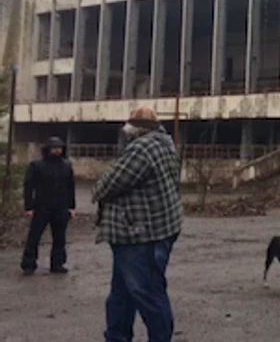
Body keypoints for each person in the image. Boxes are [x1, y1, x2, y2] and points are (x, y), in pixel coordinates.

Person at [92, 106, 183, 342]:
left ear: (133, 128)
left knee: (147, 293)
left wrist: (99, 186)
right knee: (122, 294)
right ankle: (117, 337)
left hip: (140, 234)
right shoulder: (165, 143)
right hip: (147, 231)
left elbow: (106, 186)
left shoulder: (142, 147)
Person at [20, 136, 76, 275]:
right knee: (34, 237)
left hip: (61, 207)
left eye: (59, 148)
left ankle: (57, 264)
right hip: (41, 206)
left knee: (60, 238)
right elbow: (28, 187)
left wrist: (72, 206)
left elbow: (71, 187)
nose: (57, 150)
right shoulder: (36, 165)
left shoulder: (66, 165)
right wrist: (29, 207)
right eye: (54, 148)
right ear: (47, 149)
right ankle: (29, 264)